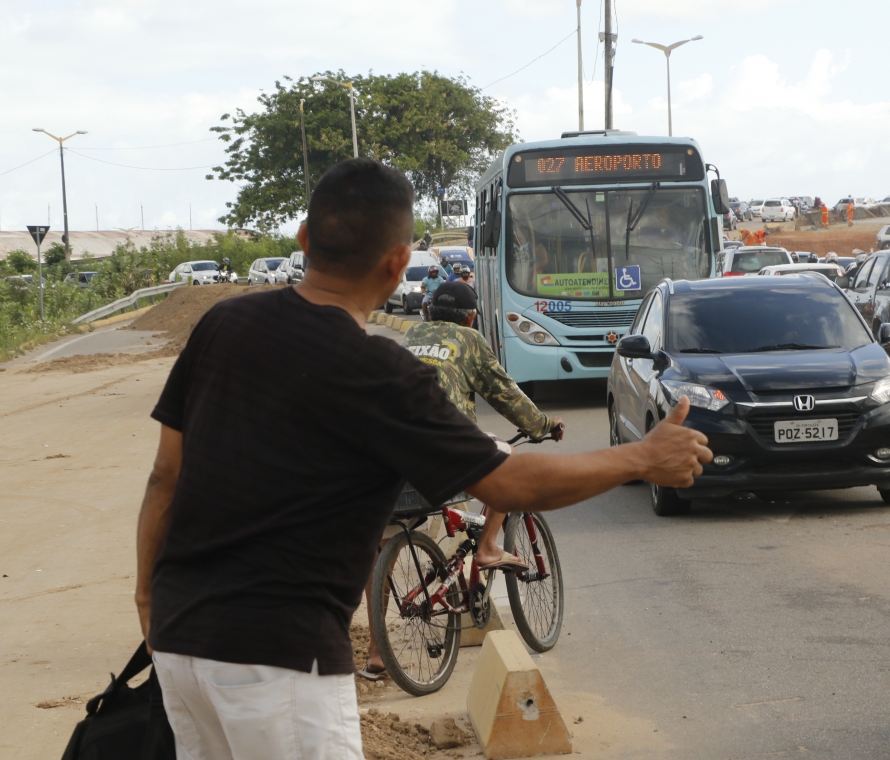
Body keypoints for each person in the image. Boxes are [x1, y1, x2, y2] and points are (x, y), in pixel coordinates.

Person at [134, 157, 711, 759]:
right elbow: (510, 484)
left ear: (304, 240)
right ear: (395, 265)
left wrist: (148, 596)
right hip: (276, 659)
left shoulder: (222, 324)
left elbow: (164, 477)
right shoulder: (375, 371)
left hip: (178, 641)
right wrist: (640, 459)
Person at [358, 281, 565, 678]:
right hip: (444, 450)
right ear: (472, 317)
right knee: (510, 462)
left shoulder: (411, 335)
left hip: (388, 456)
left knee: (383, 547)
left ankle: (376, 653)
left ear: (427, 313)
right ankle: (487, 546)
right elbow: (506, 395)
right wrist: (544, 425)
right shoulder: (469, 339)